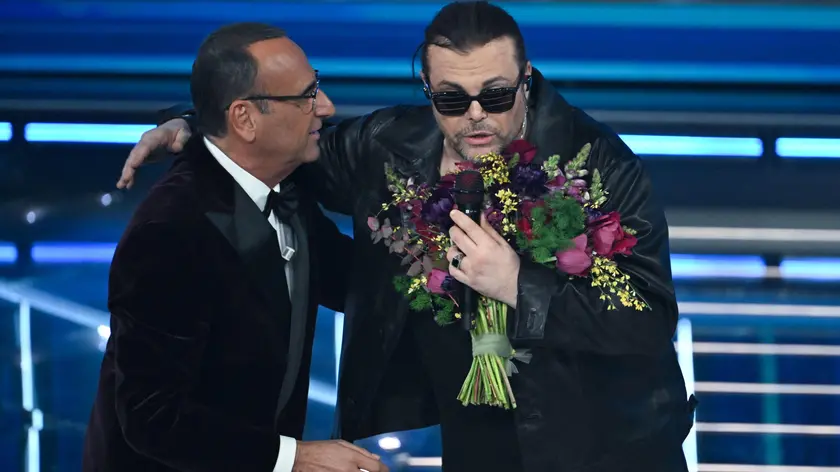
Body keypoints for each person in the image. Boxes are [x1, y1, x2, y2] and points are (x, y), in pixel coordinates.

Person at [117, 3, 696, 471]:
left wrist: (519, 285)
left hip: (609, 450)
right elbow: (276, 139)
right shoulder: (387, 145)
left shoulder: (599, 163)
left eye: (496, 95)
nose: (476, 115)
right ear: (427, 87)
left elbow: (649, 317)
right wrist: (194, 126)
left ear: (527, 80)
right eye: (452, 98)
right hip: (473, 441)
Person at [83, 22, 388, 472]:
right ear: (244, 119)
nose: (326, 106)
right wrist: (293, 458)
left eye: (317, 86)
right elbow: (152, 417)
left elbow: (355, 283)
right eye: (306, 96)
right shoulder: (170, 230)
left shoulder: (286, 186)